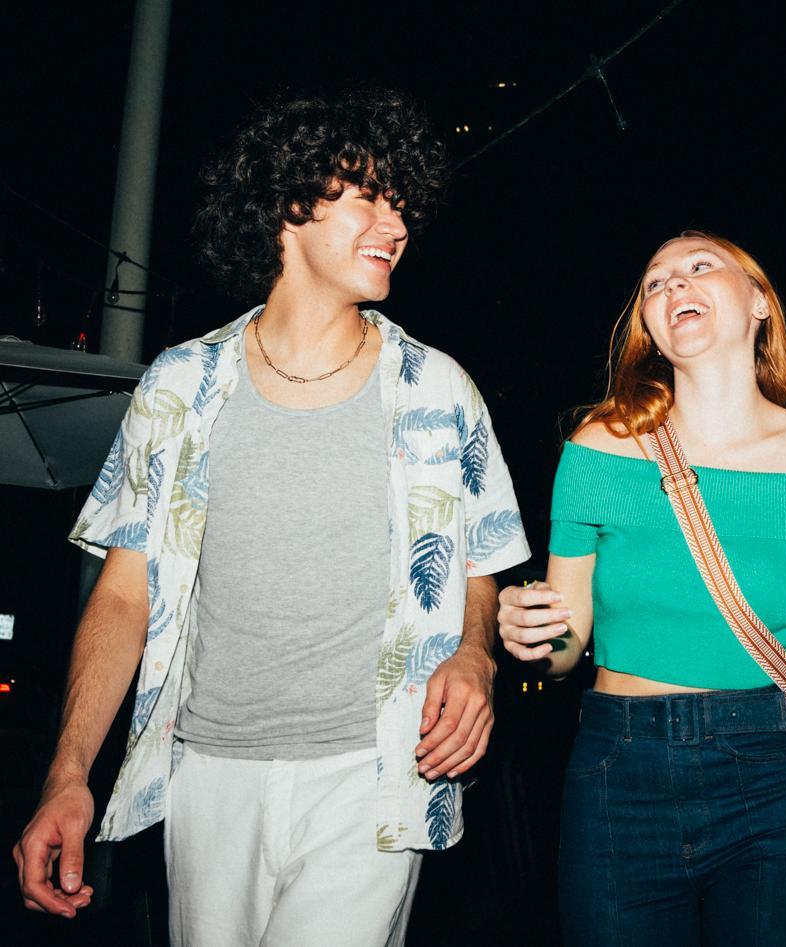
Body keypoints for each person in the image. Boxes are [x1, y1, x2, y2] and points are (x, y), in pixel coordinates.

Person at [13, 91, 530, 945]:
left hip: (372, 774)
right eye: (368, 196)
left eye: (403, 203)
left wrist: (473, 655)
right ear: (286, 208)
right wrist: (67, 774)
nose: (396, 223)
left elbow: (481, 563)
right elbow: (122, 596)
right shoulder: (179, 386)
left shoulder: (438, 388)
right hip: (204, 773)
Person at [498, 232, 786, 946]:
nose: (673, 285)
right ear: (647, 327)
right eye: (654, 282)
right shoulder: (597, 448)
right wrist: (532, 631)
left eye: (699, 267)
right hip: (620, 771)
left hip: (770, 769)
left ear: (758, 302)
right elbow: (564, 648)